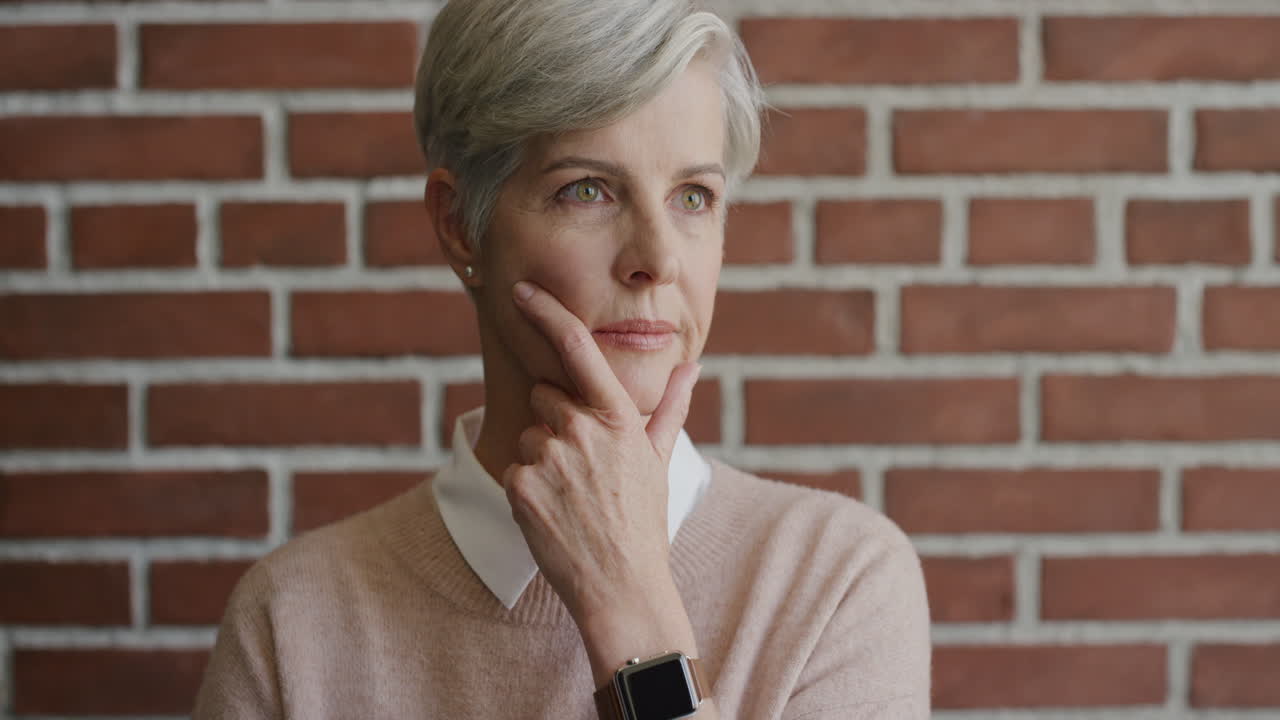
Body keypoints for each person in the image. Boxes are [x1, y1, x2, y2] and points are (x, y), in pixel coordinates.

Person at [192, 1, 931, 717]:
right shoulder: (290, 623)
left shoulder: (836, 580)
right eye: (588, 190)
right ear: (459, 226)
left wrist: (628, 600)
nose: (657, 260)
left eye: (694, 197)